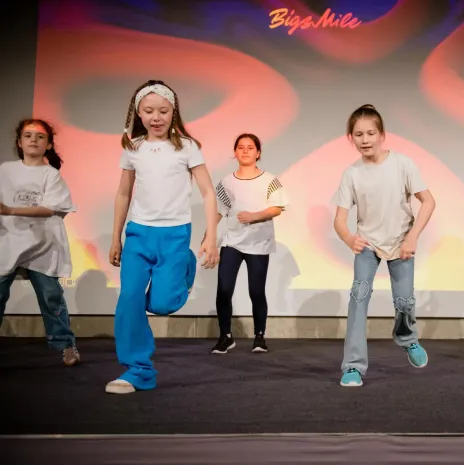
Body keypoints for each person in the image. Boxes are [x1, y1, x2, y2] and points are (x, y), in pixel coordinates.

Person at [105, 80, 220, 394]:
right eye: (149, 111)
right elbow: (123, 193)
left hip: (175, 236)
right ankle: (138, 371)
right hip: (138, 234)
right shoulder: (133, 148)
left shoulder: (187, 147)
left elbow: (208, 192)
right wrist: (116, 238)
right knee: (129, 299)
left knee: (162, 304)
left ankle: (186, 264)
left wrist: (211, 236)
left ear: (173, 112)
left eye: (163, 111)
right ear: (138, 113)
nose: (156, 117)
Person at [332, 104, 436, 387]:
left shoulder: (403, 164)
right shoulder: (351, 173)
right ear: (351, 138)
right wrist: (349, 238)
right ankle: (353, 366)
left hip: (401, 241)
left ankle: (408, 339)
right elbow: (339, 219)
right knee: (358, 298)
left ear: (381, 135)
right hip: (368, 243)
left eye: (370, 133)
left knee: (404, 301)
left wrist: (413, 236)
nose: (365, 140)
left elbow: (428, 201)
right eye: (358, 134)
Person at [0, 119, 80, 366]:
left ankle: (66, 345)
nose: (33, 139)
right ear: (19, 142)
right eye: (28, 135)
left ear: (49, 145)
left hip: (42, 247)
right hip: (8, 243)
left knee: (50, 296)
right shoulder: (5, 170)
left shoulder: (51, 174)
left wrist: (10, 210)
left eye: (40, 136)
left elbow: (50, 208)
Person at [210, 133, 289, 355]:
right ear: (235, 152)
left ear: (258, 153)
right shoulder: (226, 182)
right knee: (224, 289)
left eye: (250, 147)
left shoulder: (270, 180)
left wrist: (254, 216)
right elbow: (219, 211)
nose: (245, 151)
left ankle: (259, 337)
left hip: (258, 242)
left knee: (256, 291)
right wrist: (208, 235)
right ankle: (225, 337)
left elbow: (277, 208)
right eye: (241, 147)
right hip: (232, 241)